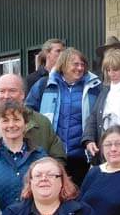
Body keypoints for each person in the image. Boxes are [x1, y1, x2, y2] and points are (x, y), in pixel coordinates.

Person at [26, 48, 101, 185]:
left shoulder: (94, 87)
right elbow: (28, 112)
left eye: (82, 65)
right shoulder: (45, 85)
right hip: (51, 154)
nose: (80, 68)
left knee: (79, 193)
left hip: (82, 156)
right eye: (75, 64)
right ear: (64, 64)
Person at [0, 73, 64, 161]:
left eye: (12, 91)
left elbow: (58, 157)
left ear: (23, 94)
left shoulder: (42, 123)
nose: (6, 96)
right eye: (2, 91)